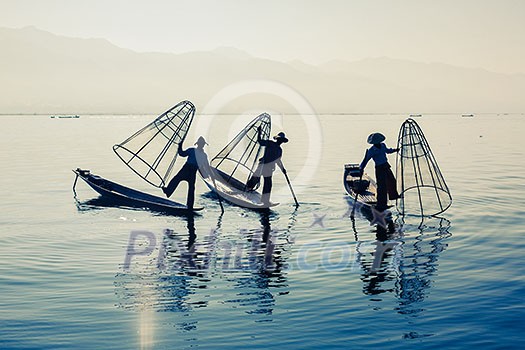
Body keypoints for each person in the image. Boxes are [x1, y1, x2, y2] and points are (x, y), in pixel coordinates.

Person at [162, 136, 210, 209]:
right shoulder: (196, 152)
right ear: (200, 145)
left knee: (189, 186)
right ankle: (168, 191)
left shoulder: (200, 154)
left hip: (191, 170)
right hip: (187, 169)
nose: (202, 145)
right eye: (202, 144)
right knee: (178, 180)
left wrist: (180, 146)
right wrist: (180, 146)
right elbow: (182, 153)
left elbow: (206, 166)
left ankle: (189, 205)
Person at [246, 127, 288, 205]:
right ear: (277, 139)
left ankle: (265, 201)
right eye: (279, 139)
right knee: (255, 178)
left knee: (268, 184)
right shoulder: (270, 143)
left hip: (269, 168)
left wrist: (283, 169)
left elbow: (278, 161)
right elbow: (260, 142)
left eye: (281, 140)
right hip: (263, 165)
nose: (280, 141)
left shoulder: (279, 150)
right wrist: (259, 132)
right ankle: (248, 189)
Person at [359, 132, 400, 212]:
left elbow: (387, 151)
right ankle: (381, 204)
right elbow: (365, 160)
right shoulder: (371, 150)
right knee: (382, 186)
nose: (378, 143)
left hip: (386, 165)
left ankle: (393, 195)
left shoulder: (383, 145)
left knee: (392, 180)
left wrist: (395, 150)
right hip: (379, 168)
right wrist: (361, 168)